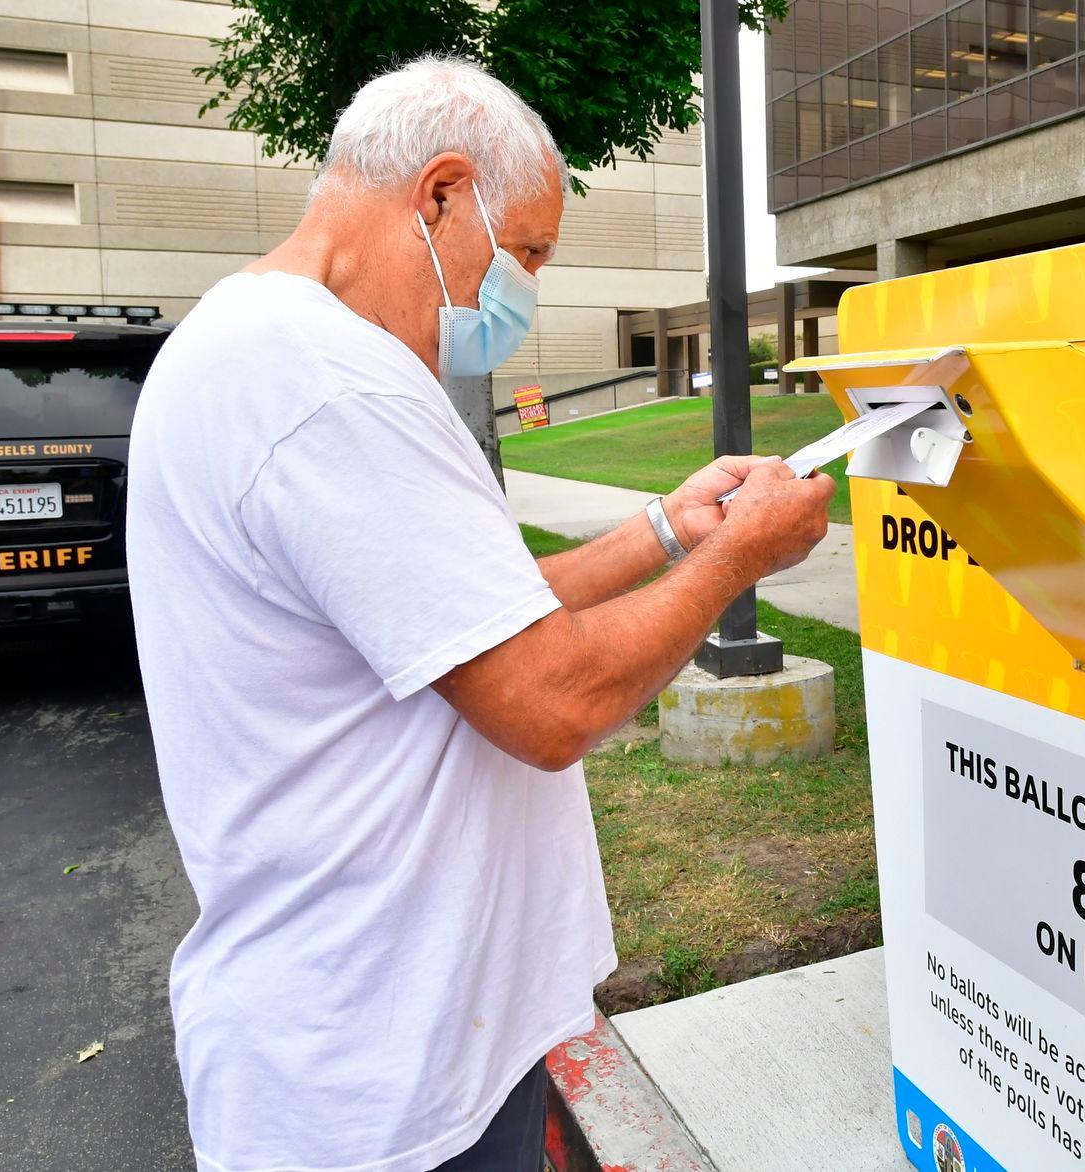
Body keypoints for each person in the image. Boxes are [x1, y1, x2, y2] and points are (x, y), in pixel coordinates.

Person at [126, 56, 832, 1172]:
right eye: (531, 254)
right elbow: (550, 696)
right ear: (441, 193)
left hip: (393, 1036)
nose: (526, 294)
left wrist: (666, 530)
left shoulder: (254, 346)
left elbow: (464, 622)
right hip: (383, 1078)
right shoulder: (326, 382)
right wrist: (738, 557)